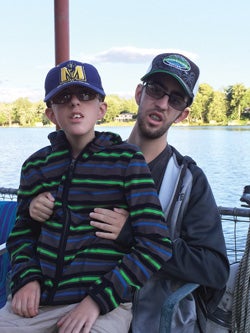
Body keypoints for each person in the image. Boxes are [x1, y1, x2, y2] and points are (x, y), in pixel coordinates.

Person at [29, 53, 230, 332]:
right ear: (139, 93)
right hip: (76, 311)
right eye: (156, 90)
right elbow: (46, 230)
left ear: (183, 114)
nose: (162, 103)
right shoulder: (88, 160)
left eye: (175, 99)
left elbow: (214, 269)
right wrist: (36, 206)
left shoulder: (189, 182)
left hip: (151, 321)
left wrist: (132, 234)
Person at [0, 60, 173, 333]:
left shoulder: (127, 160)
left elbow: (156, 244)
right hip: (37, 302)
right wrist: (26, 280)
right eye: (63, 97)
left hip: (103, 305)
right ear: (51, 113)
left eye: (86, 96)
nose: (75, 104)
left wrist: (97, 301)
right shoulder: (35, 166)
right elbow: (22, 234)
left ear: (101, 109)